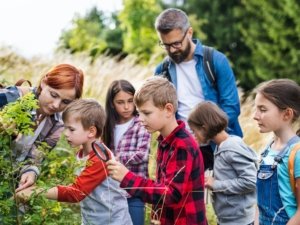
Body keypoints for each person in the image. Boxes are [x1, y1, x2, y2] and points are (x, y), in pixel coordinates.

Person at [107, 77, 207, 225]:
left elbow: (171, 194)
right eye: (139, 112)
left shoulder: (182, 145)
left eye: (146, 113)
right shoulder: (165, 141)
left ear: (168, 109)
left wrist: (127, 178)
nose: (140, 119)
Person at [16, 99, 133, 225]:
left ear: (91, 131)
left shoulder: (100, 158)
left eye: (71, 129)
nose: (65, 134)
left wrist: (36, 191)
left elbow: (77, 193)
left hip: (114, 221)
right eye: (65, 128)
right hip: (92, 220)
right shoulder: (82, 152)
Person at [154, 8, 243, 170]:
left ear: (189, 32)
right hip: (182, 149)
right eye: (166, 45)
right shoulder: (162, 70)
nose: (172, 50)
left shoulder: (216, 60)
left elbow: (231, 108)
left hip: (219, 147)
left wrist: (203, 135)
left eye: (176, 43)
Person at [0, 64, 84, 192]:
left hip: (7, 182)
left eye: (65, 102)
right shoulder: (15, 98)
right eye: (53, 95)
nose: (56, 105)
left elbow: (36, 155)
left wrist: (30, 171)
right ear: (44, 83)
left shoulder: (57, 123)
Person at [188, 101, 257, 225]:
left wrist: (216, 184)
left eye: (194, 131)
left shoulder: (232, 147)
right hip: (227, 220)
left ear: (204, 128)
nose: (194, 135)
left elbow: (251, 181)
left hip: (241, 221)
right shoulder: (220, 147)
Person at [102, 79, 151, 225]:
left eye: (130, 101)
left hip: (134, 191)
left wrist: (115, 158)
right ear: (112, 103)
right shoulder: (108, 125)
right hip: (112, 192)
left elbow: (143, 154)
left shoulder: (141, 123)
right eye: (120, 102)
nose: (126, 107)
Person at [253, 79, 300, 225]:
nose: (255, 116)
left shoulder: (297, 154)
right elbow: (259, 204)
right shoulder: (267, 150)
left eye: (263, 109)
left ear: (286, 114)